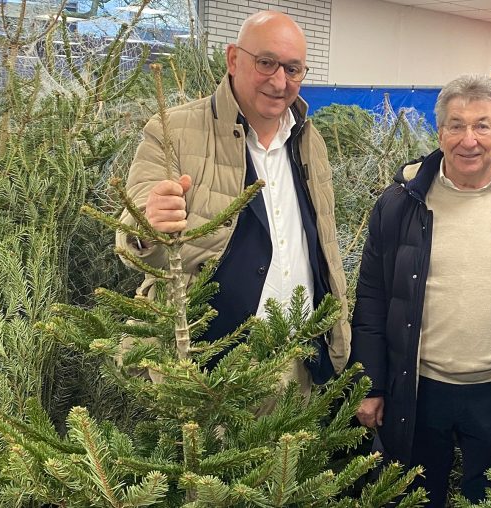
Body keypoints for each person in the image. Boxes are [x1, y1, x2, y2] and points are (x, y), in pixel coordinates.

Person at [116, 10, 350, 390]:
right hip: (208, 374)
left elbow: (325, 245)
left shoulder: (310, 142)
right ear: (233, 59)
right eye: (266, 63)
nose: (279, 81)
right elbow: (134, 237)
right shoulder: (173, 131)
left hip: (299, 361)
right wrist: (148, 226)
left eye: (293, 69)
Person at [350, 74, 491, 506]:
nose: (468, 139)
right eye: (456, 125)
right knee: (416, 497)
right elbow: (371, 299)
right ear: (439, 133)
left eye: (481, 125)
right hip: (419, 387)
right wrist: (370, 384)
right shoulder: (400, 203)